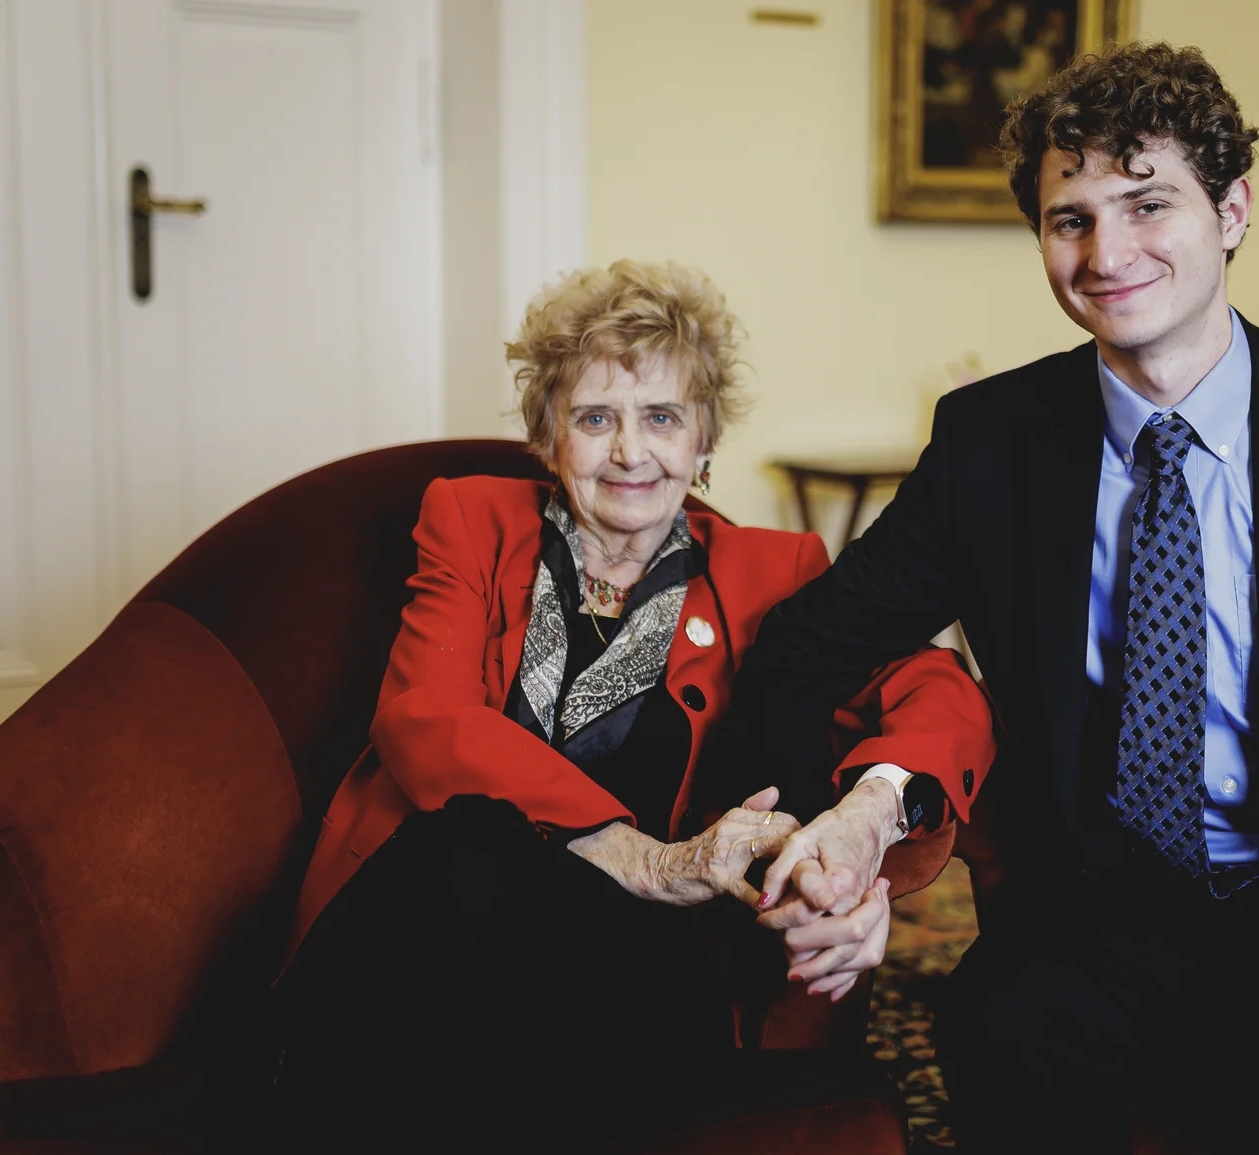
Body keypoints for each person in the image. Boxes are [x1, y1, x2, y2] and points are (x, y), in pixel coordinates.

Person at [723, 41, 1259, 1153]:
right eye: (1067, 218)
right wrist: (831, 851)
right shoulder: (991, 444)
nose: (1104, 251)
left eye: (1146, 204)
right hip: (1100, 912)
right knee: (993, 1034)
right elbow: (804, 650)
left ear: (1230, 210)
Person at [270, 260, 994, 1147]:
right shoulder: (469, 522)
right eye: (595, 417)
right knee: (473, 842)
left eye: (662, 418)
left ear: (703, 443)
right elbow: (424, 716)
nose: (629, 450)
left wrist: (869, 822)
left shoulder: (771, 569)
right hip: (426, 921)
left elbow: (937, 686)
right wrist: (647, 858)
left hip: (628, 958)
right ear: (547, 434)